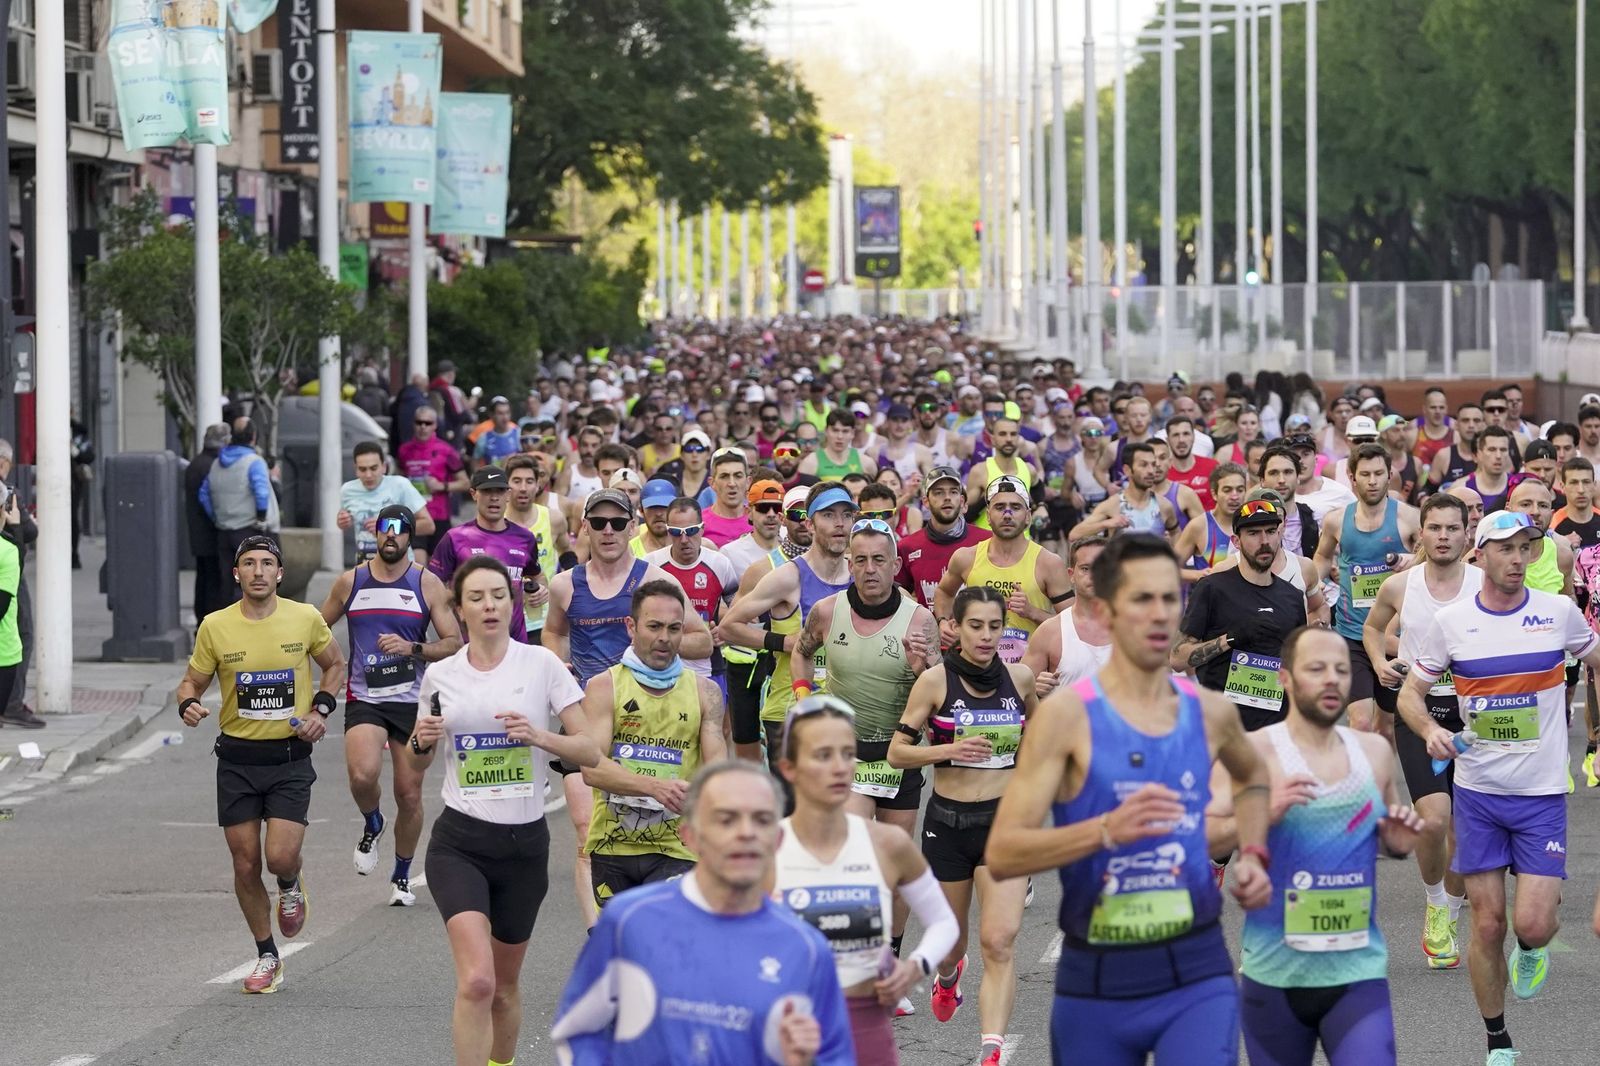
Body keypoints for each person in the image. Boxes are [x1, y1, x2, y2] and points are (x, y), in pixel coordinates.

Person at [984, 534, 1272, 1066]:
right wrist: (1104, 832)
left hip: (1196, 974)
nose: (1161, 612)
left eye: (1170, 598)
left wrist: (1253, 852)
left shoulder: (1210, 713)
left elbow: (1255, 780)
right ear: (1108, 607)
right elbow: (1003, 853)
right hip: (1097, 983)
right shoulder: (1065, 718)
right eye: (1143, 598)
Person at [1402, 511, 1600, 1064]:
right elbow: (1410, 695)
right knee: (1488, 924)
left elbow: (1598, 661)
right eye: (1507, 549)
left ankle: (1534, 948)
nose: (1518, 559)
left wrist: (1598, 733)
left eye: (1527, 549)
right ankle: (1498, 1041)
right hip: (1479, 794)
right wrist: (1430, 730)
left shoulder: (1558, 613)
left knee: (1531, 924)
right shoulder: (1453, 622)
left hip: (1540, 796)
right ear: (1480, 554)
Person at [408, 555, 599, 1066]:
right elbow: (417, 758)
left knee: (504, 990)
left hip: (524, 846)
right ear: (460, 610)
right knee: (476, 980)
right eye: (476, 598)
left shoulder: (542, 665)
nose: (489, 605)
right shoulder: (441, 676)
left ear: (512, 603)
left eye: (497, 595)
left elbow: (590, 748)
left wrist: (539, 735)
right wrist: (421, 741)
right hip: (460, 843)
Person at [1209, 626, 1423, 1066]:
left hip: (1357, 972)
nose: (1332, 679)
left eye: (1342, 670)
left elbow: (1385, 832)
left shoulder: (1375, 752)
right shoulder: (1249, 752)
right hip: (1274, 975)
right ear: (1285, 678)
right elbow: (1203, 836)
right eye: (1317, 669)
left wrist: (1398, 841)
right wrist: (1262, 812)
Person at [552, 761, 856, 1065]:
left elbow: (835, 1055)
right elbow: (577, 1029)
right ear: (690, 835)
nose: (746, 833)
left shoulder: (805, 947)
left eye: (762, 820)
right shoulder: (630, 920)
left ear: (777, 840)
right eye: (726, 819)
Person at [175, 535, 348, 993]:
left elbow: (335, 665)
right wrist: (188, 704)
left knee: (279, 857)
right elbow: (190, 682)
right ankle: (267, 955)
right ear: (236, 573)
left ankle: (290, 883)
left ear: (279, 573)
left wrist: (321, 710)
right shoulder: (215, 625)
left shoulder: (305, 618)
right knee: (245, 862)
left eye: (266, 563)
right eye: (248, 563)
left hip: (289, 757)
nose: (257, 571)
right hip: (236, 759)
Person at [544, 488, 715, 930]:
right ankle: (596, 931)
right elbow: (552, 635)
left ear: (632, 527)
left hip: (655, 710)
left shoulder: (656, 582)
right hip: (591, 715)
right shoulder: (566, 584)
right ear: (585, 527)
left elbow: (702, 639)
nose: (607, 531)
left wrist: (654, 648)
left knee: (652, 821)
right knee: (586, 832)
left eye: (617, 523)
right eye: (597, 522)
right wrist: (561, 671)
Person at [792, 518, 939, 1015]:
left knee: (894, 867)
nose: (871, 569)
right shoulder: (825, 611)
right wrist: (804, 696)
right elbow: (800, 652)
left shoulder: (920, 621)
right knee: (856, 860)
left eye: (880, 560)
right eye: (861, 560)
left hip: (898, 753)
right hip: (848, 756)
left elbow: (935, 695)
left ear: (897, 565)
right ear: (848, 564)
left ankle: (889, 967)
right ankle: (850, 965)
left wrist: (922, 670)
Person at [890, 587, 1038, 1066]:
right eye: (976, 625)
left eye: (995, 626)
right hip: (948, 825)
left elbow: (1040, 737)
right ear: (955, 627)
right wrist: (947, 750)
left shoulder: (1021, 678)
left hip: (1004, 825)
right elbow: (897, 752)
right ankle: (949, 975)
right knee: (952, 944)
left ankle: (991, 1049)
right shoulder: (935, 682)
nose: (987, 635)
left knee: (999, 941)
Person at [772, 693, 961, 1065]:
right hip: (784, 1025)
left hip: (864, 1026)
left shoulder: (888, 845)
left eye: (848, 753)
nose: (841, 767)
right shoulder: (764, 850)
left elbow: (944, 923)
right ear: (789, 768)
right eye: (823, 755)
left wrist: (914, 967)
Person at [318, 506, 461, 904]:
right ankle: (372, 821)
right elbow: (314, 628)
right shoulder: (351, 582)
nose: (391, 538)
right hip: (366, 697)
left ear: (410, 537)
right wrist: (334, 661)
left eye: (399, 532)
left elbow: (453, 643)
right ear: (376, 535)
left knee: (409, 794)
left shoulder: (426, 583)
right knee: (363, 776)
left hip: (413, 703)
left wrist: (412, 647)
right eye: (385, 530)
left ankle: (400, 876)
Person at [1361, 492, 1478, 970]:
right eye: (1436, 528)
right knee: (1433, 818)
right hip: (1419, 711)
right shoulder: (1400, 585)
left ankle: (1451, 909)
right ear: (1421, 534)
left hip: (1476, 721)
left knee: (1468, 830)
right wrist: (1379, 662)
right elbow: (1371, 628)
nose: (1444, 536)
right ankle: (1434, 901)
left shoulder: (1484, 583)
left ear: (1468, 534)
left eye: (1453, 528)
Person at [580, 579, 726, 909]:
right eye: (654, 626)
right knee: (625, 950)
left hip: (678, 847)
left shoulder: (706, 693)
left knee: (660, 929)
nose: (664, 638)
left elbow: (717, 776)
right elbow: (592, 770)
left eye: (674, 628)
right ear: (631, 627)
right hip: (612, 845)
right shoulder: (604, 687)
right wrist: (654, 787)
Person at [718, 482, 858, 759]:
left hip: (847, 711)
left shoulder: (860, 575)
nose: (839, 523)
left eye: (846, 515)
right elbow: (729, 627)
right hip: (789, 711)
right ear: (809, 524)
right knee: (793, 803)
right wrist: (785, 642)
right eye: (828, 515)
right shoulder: (788, 576)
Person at [1174, 490, 1308, 730]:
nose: (1264, 541)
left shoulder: (1293, 597)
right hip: (1224, 726)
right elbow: (1177, 658)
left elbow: (1300, 665)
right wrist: (1230, 639)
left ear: (1280, 534)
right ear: (1236, 541)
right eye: (1253, 533)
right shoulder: (1212, 588)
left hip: (1278, 728)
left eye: (1270, 531)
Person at [1314, 444, 1420, 733]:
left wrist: (1411, 559)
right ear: (1352, 476)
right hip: (1352, 633)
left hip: (1393, 636)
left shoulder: (1409, 518)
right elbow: (1323, 556)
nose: (1372, 481)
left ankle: (1383, 777)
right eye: (1365, 474)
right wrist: (1316, 585)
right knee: (1360, 722)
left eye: (1378, 474)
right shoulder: (1337, 519)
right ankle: (1364, 778)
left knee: (1386, 726)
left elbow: (1429, 559)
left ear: (1389, 476)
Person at [940, 476, 1072, 662]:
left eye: (1015, 507)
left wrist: (1032, 612)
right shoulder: (966, 558)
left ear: (1028, 516)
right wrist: (943, 622)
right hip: (977, 669)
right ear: (988, 515)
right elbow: (944, 592)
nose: (1007, 514)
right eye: (1000, 507)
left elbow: (1072, 624)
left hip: (1030, 673)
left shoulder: (1049, 563)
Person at [428, 467, 539, 644]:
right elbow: (433, 588)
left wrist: (540, 590)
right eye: (487, 491)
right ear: (474, 494)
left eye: (500, 491)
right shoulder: (455, 538)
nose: (494, 497)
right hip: (469, 646)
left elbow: (536, 575)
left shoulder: (525, 538)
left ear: (508, 495)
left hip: (516, 645)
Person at [646, 496, 739, 681]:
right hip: (659, 671)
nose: (684, 539)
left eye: (691, 530)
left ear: (702, 529)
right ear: (667, 530)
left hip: (708, 668)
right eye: (675, 532)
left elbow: (738, 612)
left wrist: (724, 631)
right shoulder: (650, 565)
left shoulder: (720, 563)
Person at [200, 417, 280, 605]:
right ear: (253, 437)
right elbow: (261, 491)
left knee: (227, 583)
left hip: (224, 532)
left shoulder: (216, 464)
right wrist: (261, 518)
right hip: (249, 530)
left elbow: (203, 494)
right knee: (252, 583)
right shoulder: (254, 462)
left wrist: (217, 516)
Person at [1022, 537, 1110, 696]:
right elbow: (1018, 690)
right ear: (1071, 575)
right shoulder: (1050, 631)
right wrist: (1035, 689)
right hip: (1067, 720)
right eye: (1085, 568)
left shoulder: (1132, 629)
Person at [896, 466, 991, 610]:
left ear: (962, 502)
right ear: (926, 502)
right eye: (938, 492)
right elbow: (896, 594)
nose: (947, 497)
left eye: (953, 492)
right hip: (929, 630)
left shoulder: (988, 541)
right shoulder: (907, 546)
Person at [337, 440, 435, 563]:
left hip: (399, 566)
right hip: (366, 565)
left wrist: (388, 526)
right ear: (355, 469)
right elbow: (345, 520)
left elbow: (429, 526)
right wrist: (343, 521)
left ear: (384, 467)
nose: (368, 475)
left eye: (373, 468)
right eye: (362, 469)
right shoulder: (347, 490)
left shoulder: (400, 485)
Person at [398, 405, 469, 568]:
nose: (423, 427)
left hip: (439, 516)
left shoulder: (446, 451)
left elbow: (465, 483)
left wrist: (441, 486)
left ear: (435, 425)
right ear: (413, 424)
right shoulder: (404, 450)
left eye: (428, 423)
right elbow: (400, 479)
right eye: (419, 422)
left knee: (439, 568)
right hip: (415, 516)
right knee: (418, 563)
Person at [1069, 442, 1180, 540]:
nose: (1151, 471)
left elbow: (1175, 532)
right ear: (1127, 470)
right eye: (1144, 465)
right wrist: (1106, 524)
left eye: (1153, 465)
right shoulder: (1113, 504)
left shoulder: (1164, 505)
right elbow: (1074, 535)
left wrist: (1175, 558)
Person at [185, 424, 231, 632]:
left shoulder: (195, 463)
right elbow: (210, 500)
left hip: (198, 533)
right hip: (213, 533)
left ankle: (201, 622)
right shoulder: (214, 465)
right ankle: (208, 625)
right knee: (214, 581)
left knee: (203, 579)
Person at [1172, 462, 1248, 580]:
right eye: (1227, 490)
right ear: (1214, 494)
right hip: (1210, 597)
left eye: (1240, 490)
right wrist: (1198, 575)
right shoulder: (1199, 526)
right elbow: (1169, 568)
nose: (1234, 496)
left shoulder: (1252, 524)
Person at [802, 409, 879, 481]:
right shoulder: (810, 462)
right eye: (835, 430)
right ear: (826, 431)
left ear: (852, 433)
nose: (840, 436)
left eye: (845, 431)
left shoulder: (866, 463)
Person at [701, 448, 753, 547]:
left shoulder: (760, 521)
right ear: (712, 483)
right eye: (724, 476)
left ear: (748, 482)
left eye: (738, 476)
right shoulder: (699, 524)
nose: (732, 484)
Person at [472, 396, 520, 470]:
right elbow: (475, 461)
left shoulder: (517, 433)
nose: (505, 417)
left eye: (507, 413)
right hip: (493, 479)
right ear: (491, 415)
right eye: (500, 413)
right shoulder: (484, 437)